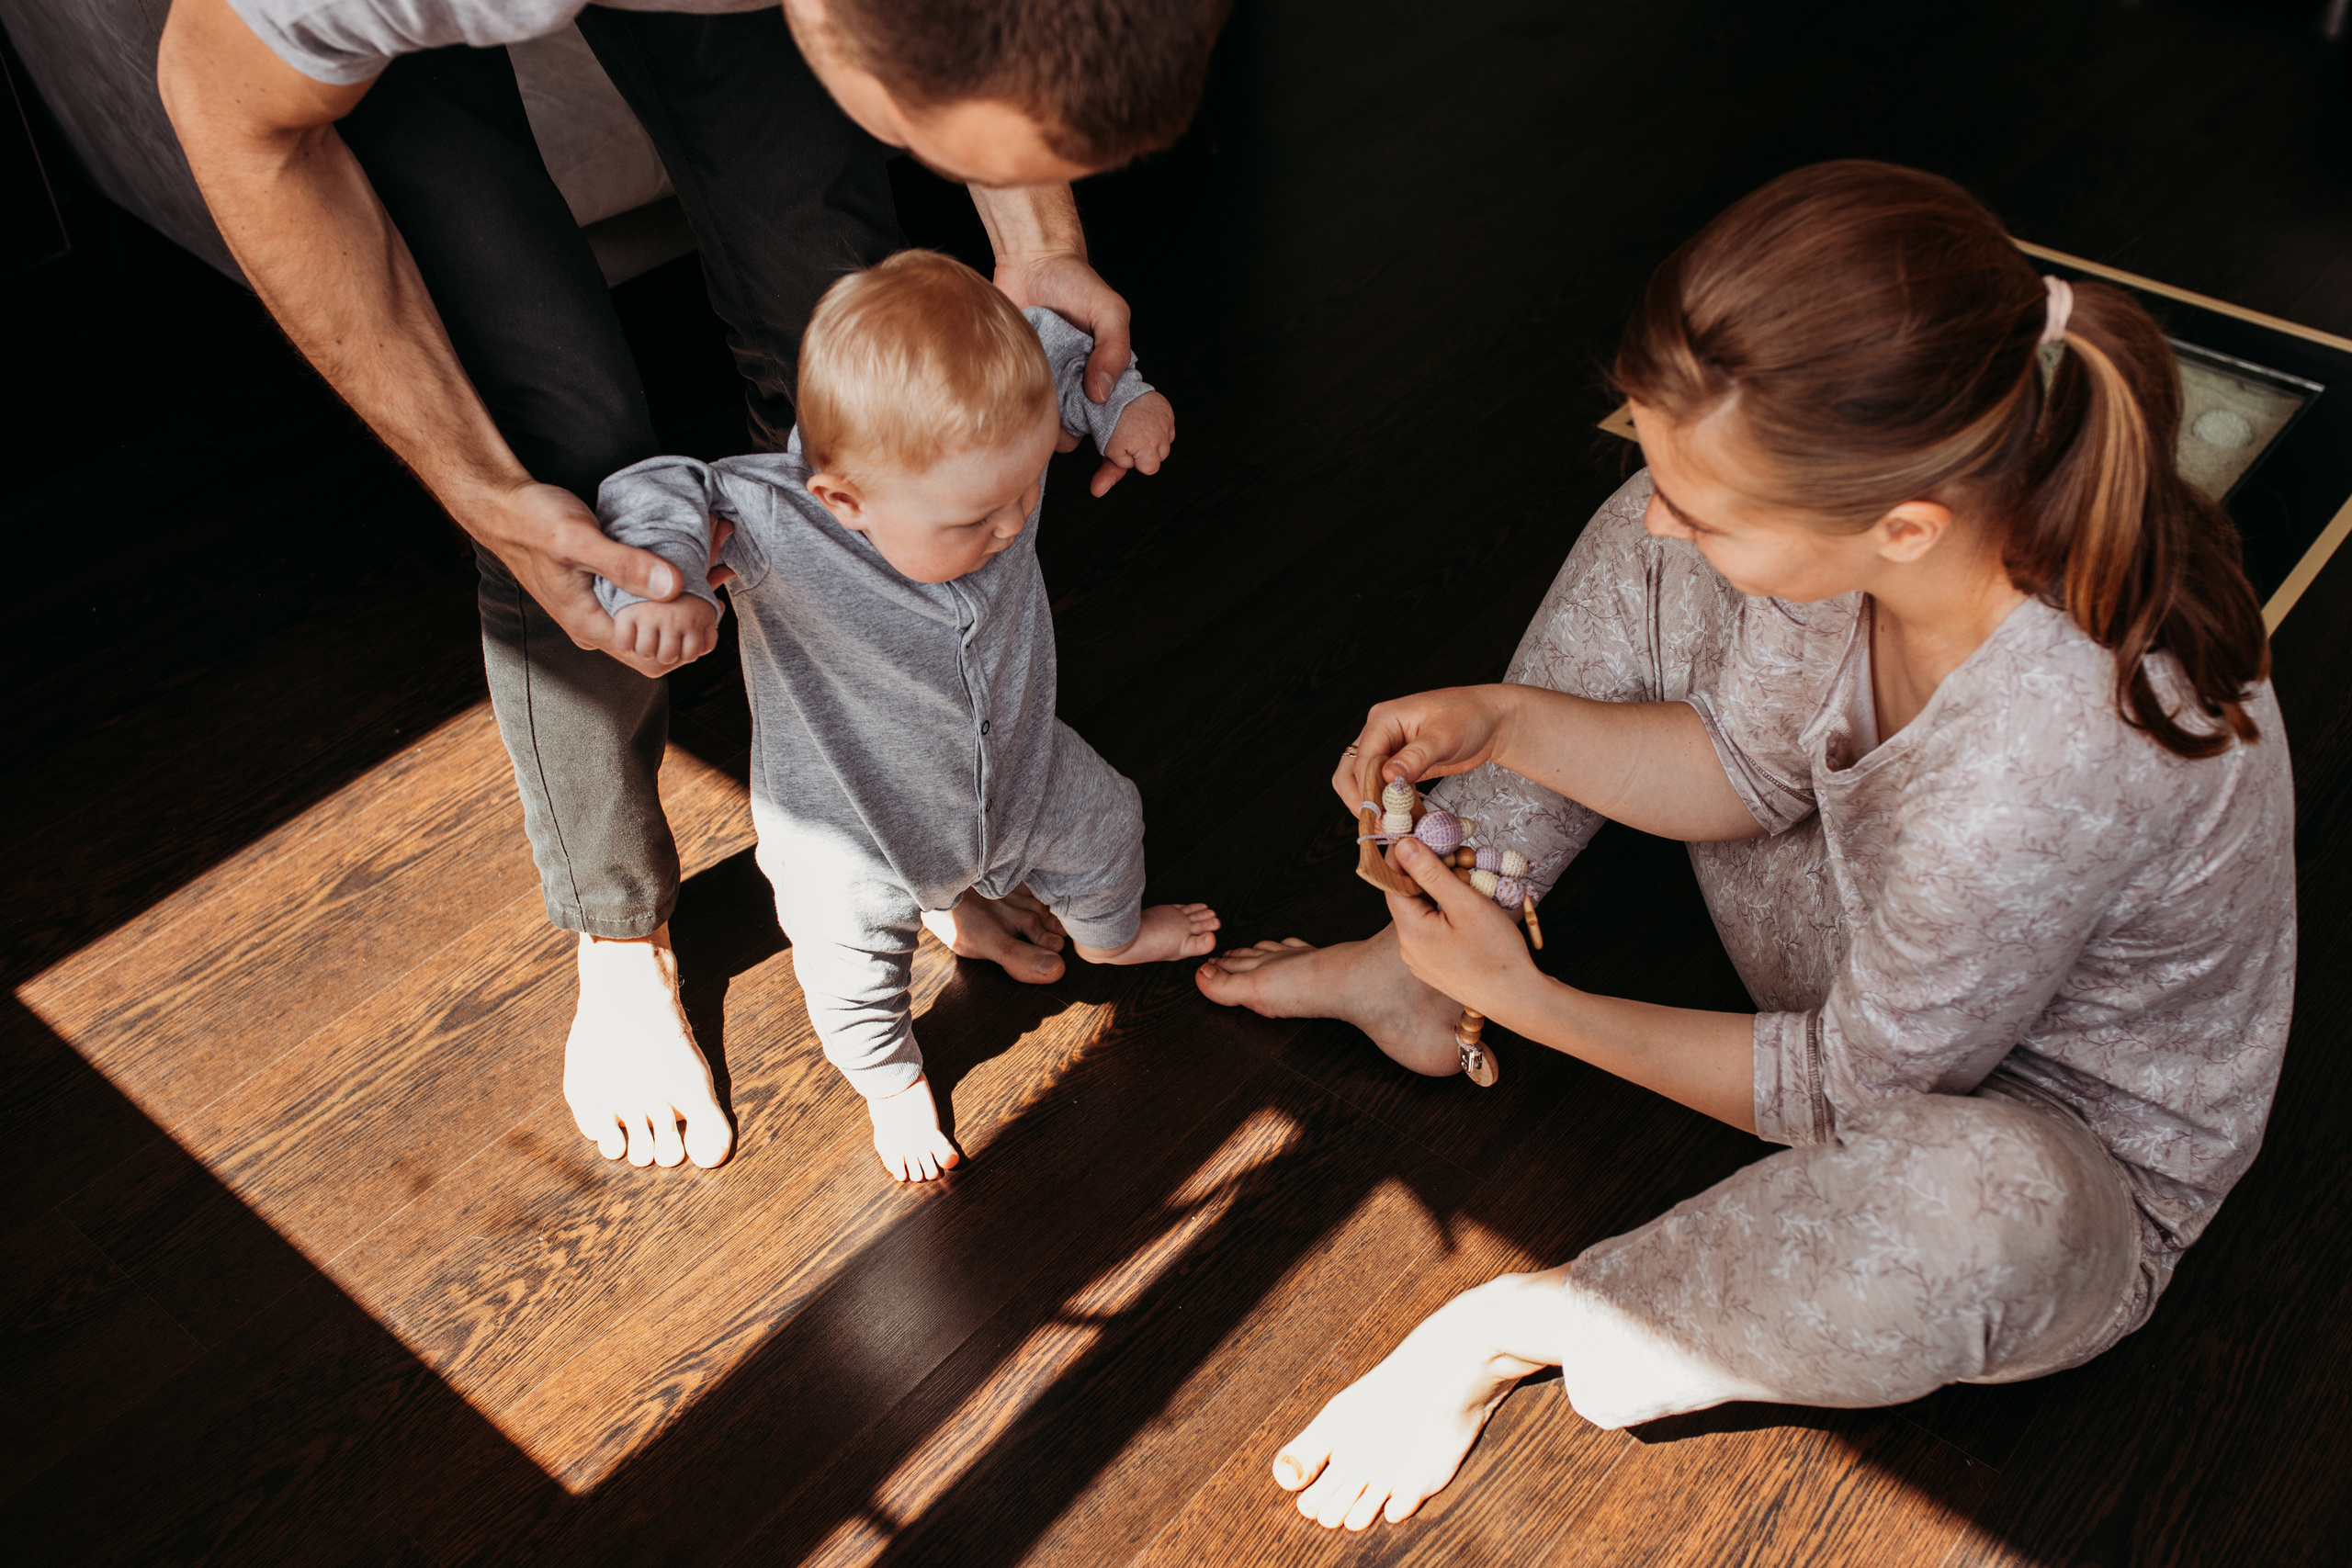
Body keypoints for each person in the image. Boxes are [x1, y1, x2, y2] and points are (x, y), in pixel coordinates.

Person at [1197, 161, 2295, 1530]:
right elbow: (1746, 759)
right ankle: (1420, 963)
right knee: (1652, 555)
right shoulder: (1909, 532)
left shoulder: (2051, 757)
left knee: (1972, 1209)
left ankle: (1520, 1319)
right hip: (1885, 955)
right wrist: (1510, 718)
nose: (1667, 513)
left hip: (2044, 1152)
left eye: (1709, 502)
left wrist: (1532, 1000)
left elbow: (1854, 1094)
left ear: (1903, 525)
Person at [156, 0, 1231, 1172]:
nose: (1019, 526)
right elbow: (235, 119)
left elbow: (1020, 285)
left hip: (990, 782)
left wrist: (1040, 241)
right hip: (330, 54)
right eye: (940, 148)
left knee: (850, 307)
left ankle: (948, 850)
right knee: (564, 455)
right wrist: (478, 486)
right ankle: (617, 928)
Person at [589, 250, 1216, 1180]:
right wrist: (664, 580)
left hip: (1024, 772)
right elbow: (655, 488)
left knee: (1109, 815)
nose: (1009, 530)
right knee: (851, 974)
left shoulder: (992, 421)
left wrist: (1122, 405)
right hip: (855, 832)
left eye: (1025, 492)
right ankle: (889, 1080)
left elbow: (1058, 347)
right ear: (844, 499)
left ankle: (1110, 935)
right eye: (973, 519)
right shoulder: (774, 518)